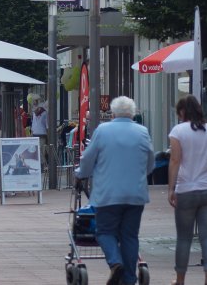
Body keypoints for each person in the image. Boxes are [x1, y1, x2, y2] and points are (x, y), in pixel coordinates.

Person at [75, 96, 153, 285]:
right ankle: (129, 279)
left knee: (104, 232)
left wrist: (80, 173)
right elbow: (150, 162)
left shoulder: (103, 130)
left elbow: (88, 159)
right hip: (135, 194)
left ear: (113, 113)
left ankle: (115, 262)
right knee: (129, 235)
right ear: (132, 113)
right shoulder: (142, 131)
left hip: (108, 194)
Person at [167, 95, 207, 285]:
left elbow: (175, 161)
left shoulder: (178, 131)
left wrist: (171, 188)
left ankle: (180, 279)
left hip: (186, 190)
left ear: (182, 112)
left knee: (184, 238)